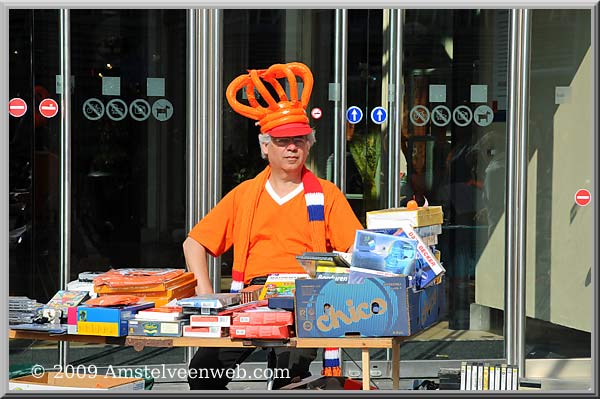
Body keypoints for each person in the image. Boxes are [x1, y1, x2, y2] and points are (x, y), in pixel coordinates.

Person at [183, 62, 363, 390]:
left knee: (287, 378)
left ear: (309, 144)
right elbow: (194, 243)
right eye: (282, 141)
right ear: (265, 146)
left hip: (304, 300)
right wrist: (206, 297)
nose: (292, 147)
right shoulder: (245, 194)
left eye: (299, 139)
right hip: (250, 298)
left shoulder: (327, 194)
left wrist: (329, 283)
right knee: (202, 371)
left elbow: (355, 249)